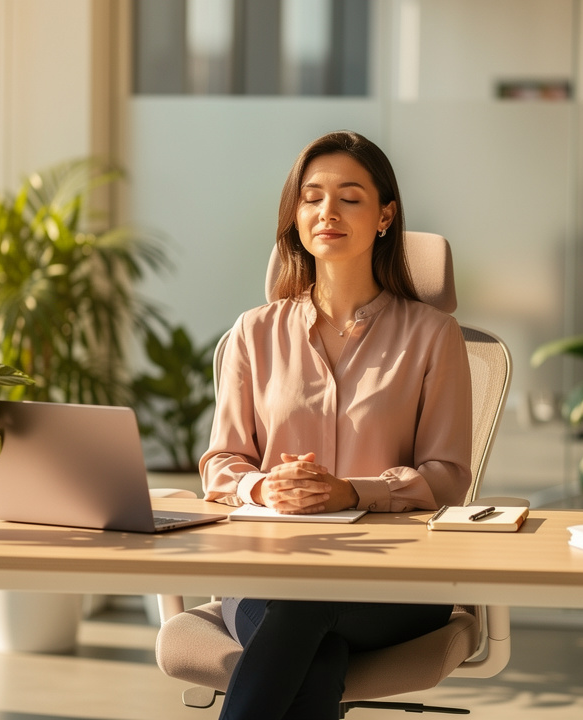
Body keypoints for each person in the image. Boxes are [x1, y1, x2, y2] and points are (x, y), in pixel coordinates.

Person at [199, 130, 473, 720]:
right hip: (267, 575)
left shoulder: (432, 335)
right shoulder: (254, 332)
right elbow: (221, 464)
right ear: (295, 215)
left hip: (396, 584)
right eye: (312, 197)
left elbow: (448, 478)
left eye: (350, 197)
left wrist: (356, 493)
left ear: (384, 216)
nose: (328, 212)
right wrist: (260, 485)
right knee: (314, 653)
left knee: (303, 608)